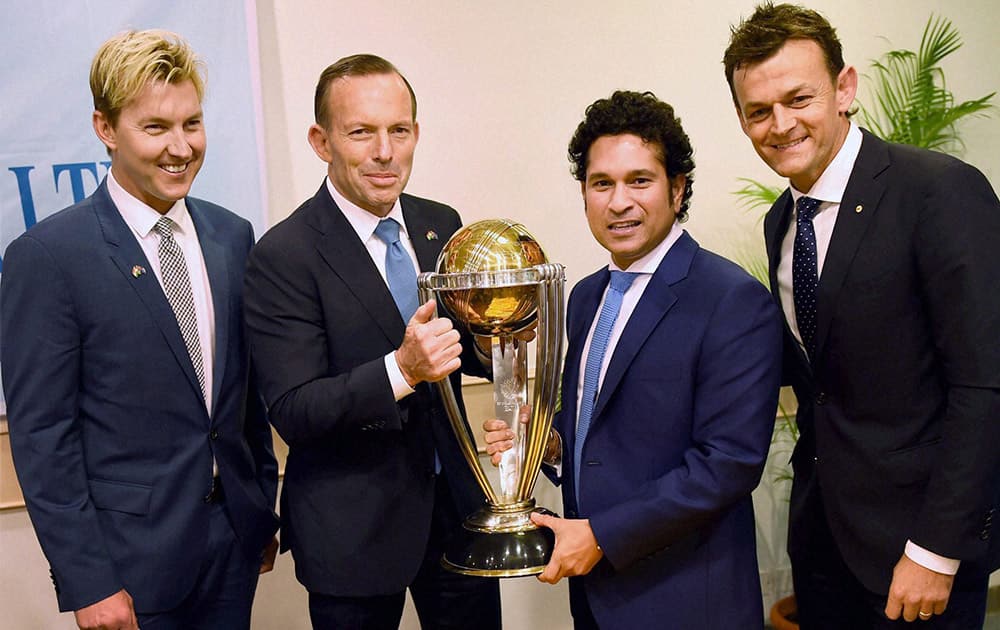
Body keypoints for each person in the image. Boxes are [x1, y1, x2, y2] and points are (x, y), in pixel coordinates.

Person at [724, 4, 1000, 628]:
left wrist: (937, 548)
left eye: (800, 98)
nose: (781, 124)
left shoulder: (938, 191)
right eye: (759, 111)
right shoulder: (781, 223)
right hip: (823, 550)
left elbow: (984, 386)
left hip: (920, 554)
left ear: (845, 88)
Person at [0, 30, 279, 630]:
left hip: (232, 545)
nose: (181, 147)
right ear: (105, 129)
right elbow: (43, 436)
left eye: (192, 124)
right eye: (155, 128)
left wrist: (258, 505)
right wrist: (88, 580)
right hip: (127, 570)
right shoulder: (47, 257)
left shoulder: (232, 235)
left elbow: (244, 396)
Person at [485, 90, 783, 629]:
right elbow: (601, 431)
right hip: (598, 598)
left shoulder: (729, 298)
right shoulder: (584, 297)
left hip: (686, 598)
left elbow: (728, 464)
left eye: (639, 180)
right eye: (602, 183)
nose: (619, 201)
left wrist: (601, 535)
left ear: (677, 188)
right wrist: (547, 443)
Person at [242, 54, 501, 630]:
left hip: (460, 515)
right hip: (352, 535)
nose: (385, 152)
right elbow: (294, 410)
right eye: (361, 132)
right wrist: (401, 371)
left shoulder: (441, 223)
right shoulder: (283, 256)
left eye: (399, 130)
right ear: (321, 140)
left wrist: (509, 344)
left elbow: (463, 348)